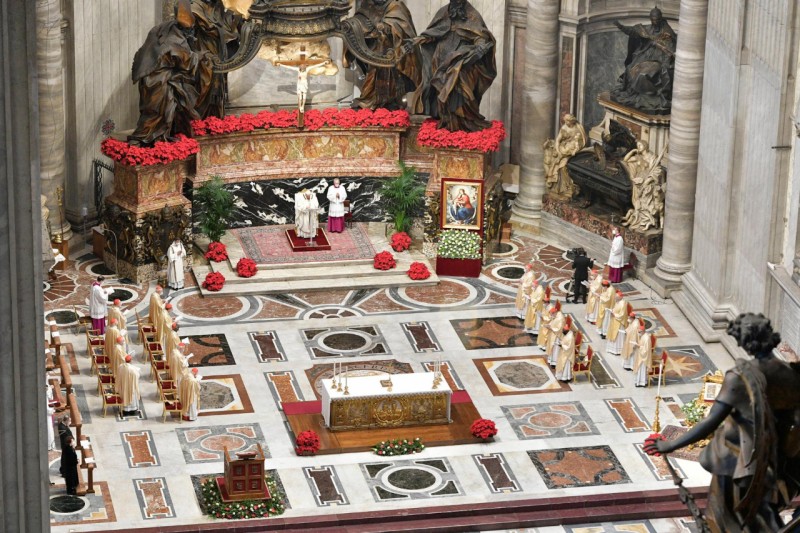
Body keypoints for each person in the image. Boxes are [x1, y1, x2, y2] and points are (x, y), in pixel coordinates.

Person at [644, 313, 800, 532]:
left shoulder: (741, 377)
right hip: (777, 461)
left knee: (728, 521)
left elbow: (710, 422)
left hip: (739, 463)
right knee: (761, 517)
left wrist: (669, 445)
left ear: (746, 343)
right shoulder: (791, 374)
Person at [128, 0, 214, 145]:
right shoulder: (176, 38)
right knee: (158, 111)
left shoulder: (163, 28)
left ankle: (159, 136)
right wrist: (200, 57)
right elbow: (185, 61)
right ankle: (145, 138)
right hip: (159, 81)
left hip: (149, 76)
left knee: (158, 110)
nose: (192, 33)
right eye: (190, 29)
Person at [407, 0, 497, 132]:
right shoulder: (443, 12)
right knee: (441, 88)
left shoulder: (472, 14)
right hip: (441, 59)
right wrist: (418, 39)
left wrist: (480, 46)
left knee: (459, 83)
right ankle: (445, 120)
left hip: (461, 60)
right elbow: (432, 33)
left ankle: (463, 122)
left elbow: (480, 35)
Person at [345, 0, 420, 111]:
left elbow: (403, 27)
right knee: (372, 73)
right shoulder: (368, 4)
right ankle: (369, 99)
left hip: (390, 51)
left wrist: (386, 27)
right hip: (372, 49)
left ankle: (387, 101)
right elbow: (359, 18)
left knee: (387, 78)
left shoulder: (396, 5)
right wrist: (356, 25)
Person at [611, 7, 676, 114]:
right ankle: (632, 90)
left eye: (657, 20)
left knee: (643, 74)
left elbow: (671, 48)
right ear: (651, 19)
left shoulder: (667, 31)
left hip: (660, 59)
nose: (655, 22)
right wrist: (621, 26)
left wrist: (665, 53)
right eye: (653, 20)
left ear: (660, 19)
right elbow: (633, 31)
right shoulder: (647, 29)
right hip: (646, 55)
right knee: (630, 68)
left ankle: (650, 95)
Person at [192, 0, 241, 118]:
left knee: (218, 81)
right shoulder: (195, 6)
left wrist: (235, 14)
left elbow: (225, 24)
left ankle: (215, 115)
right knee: (206, 80)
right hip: (204, 49)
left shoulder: (218, 5)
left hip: (218, 48)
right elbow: (209, 28)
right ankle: (202, 115)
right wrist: (228, 32)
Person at [544, 114, 587, 199]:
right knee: (558, 165)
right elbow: (557, 140)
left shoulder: (578, 128)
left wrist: (575, 150)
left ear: (572, 121)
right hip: (562, 149)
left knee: (564, 167)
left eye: (567, 121)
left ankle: (568, 188)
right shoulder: (564, 128)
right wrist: (559, 151)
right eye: (565, 121)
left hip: (574, 153)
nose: (566, 122)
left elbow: (582, 141)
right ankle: (558, 188)